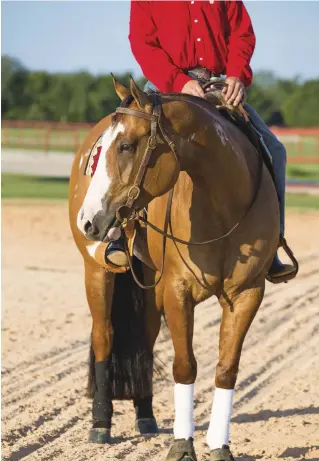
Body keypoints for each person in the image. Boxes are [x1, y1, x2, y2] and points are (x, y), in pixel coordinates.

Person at [107, 0, 294, 281]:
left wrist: (236, 75)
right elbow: (143, 43)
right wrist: (178, 80)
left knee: (275, 151)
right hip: (164, 87)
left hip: (219, 88)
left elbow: (242, 33)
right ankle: (118, 231)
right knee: (126, 145)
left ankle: (272, 241)